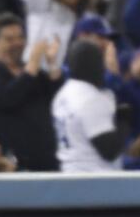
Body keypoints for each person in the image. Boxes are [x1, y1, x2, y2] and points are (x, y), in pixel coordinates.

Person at [0, 13, 63, 171]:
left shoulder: (33, 72)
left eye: (20, 38)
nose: (17, 43)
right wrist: (32, 66)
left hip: (46, 163)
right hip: (11, 166)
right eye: (9, 39)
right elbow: (7, 98)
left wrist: (52, 64)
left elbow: (59, 99)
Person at [53, 39, 125, 172]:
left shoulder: (63, 94)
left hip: (70, 173)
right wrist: (124, 120)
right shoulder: (90, 98)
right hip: (95, 178)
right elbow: (109, 150)